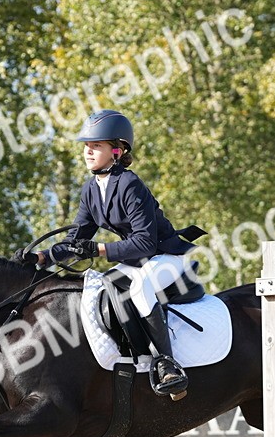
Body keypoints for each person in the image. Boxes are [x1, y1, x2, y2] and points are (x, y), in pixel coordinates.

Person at [27, 109, 200, 399]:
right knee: (102, 288)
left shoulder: (130, 184)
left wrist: (100, 249)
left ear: (117, 151)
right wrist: (43, 257)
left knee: (140, 287)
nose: (88, 151)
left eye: (96, 146)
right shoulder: (91, 189)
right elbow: (77, 238)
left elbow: (145, 243)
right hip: (137, 261)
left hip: (165, 257)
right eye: (86, 146)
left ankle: (168, 364)